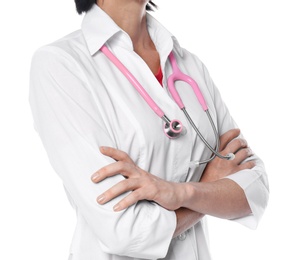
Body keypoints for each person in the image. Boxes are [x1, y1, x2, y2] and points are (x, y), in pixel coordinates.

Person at [29, 0, 269, 259]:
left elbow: (255, 190)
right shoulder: (62, 64)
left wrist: (181, 193)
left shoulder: (188, 64)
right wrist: (210, 189)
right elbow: (126, 232)